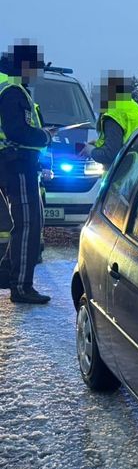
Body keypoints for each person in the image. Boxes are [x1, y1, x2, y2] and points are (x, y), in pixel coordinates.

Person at [0, 43, 52, 304]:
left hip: (16, 164)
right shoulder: (12, 91)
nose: (37, 73)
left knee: (25, 223)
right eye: (35, 67)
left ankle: (6, 275)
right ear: (23, 66)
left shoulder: (13, 89)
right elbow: (16, 131)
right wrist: (45, 137)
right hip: (17, 164)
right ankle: (21, 287)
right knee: (28, 224)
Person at [79, 72, 138, 167]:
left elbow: (110, 155)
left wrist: (90, 151)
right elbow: (123, 137)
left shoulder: (113, 114)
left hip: (123, 169)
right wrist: (98, 143)